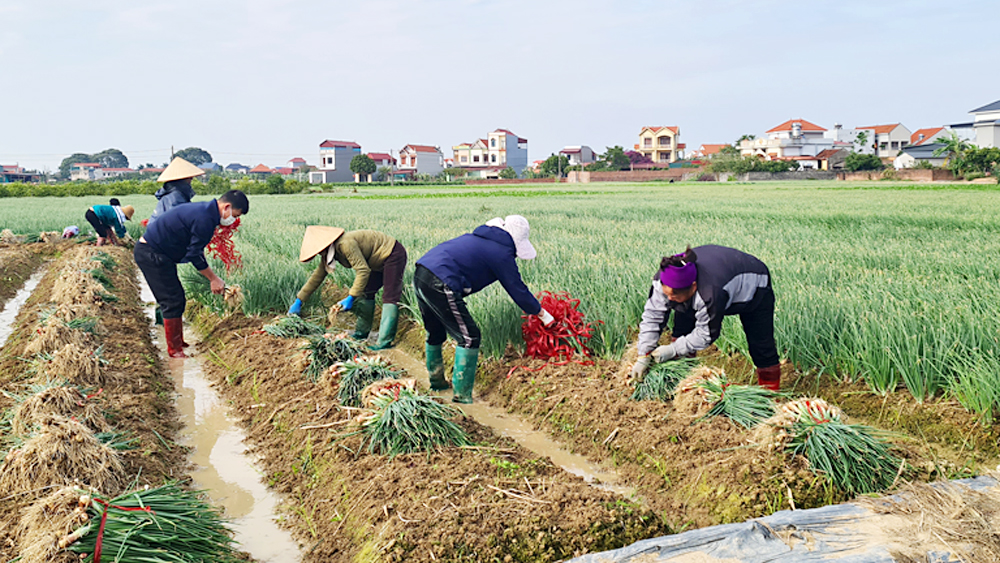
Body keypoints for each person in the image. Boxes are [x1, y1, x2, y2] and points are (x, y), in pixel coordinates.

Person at [414, 215, 554, 404]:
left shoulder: (482, 238)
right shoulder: (501, 251)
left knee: (436, 330)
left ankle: (437, 384)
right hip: (442, 281)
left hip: (422, 272)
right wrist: (542, 313)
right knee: (470, 337)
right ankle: (462, 398)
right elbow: (517, 290)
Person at [630, 245, 781, 390]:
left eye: (674, 295)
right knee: (681, 328)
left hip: (754, 286)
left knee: (761, 345)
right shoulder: (664, 280)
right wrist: (644, 354)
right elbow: (652, 316)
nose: (668, 298)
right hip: (711, 278)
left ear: (693, 286)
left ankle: (769, 395)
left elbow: (706, 334)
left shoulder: (710, 294)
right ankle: (681, 381)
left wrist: (673, 349)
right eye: (666, 293)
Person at [134, 189, 249, 358]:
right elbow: (195, 254)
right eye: (235, 215)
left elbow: (196, 251)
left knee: (177, 297)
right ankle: (174, 351)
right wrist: (213, 279)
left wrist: (212, 277)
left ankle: (178, 342)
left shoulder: (204, 212)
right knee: (172, 300)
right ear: (227, 207)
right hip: (152, 254)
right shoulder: (205, 219)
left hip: (159, 253)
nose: (234, 220)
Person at [290, 226, 408, 350]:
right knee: (367, 291)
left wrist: (351, 297)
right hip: (376, 261)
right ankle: (361, 334)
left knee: (390, 296)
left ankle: (384, 342)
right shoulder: (329, 253)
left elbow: (363, 270)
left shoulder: (345, 244)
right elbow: (317, 277)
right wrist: (299, 300)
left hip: (392, 254)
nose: (319, 253)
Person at [148, 157, 203, 226]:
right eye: (190, 178)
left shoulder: (168, 194)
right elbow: (177, 223)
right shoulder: (175, 197)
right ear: (182, 180)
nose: (191, 180)